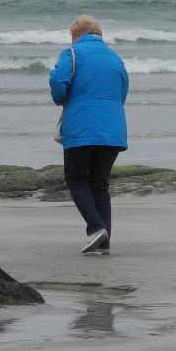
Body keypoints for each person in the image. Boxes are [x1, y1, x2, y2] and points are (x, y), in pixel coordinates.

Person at [50, 14, 129, 255]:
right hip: (113, 129)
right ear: (99, 35)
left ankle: (96, 228)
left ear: (75, 35)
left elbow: (57, 80)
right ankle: (104, 243)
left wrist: (61, 98)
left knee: (75, 179)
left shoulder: (72, 54)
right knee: (99, 184)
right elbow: (122, 92)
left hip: (83, 126)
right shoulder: (115, 59)